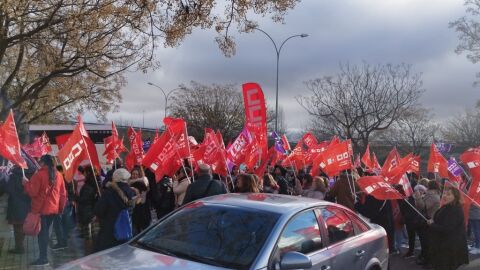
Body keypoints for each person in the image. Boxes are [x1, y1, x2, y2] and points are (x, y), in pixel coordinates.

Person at [23, 155, 67, 267]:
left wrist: (26, 184)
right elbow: (63, 194)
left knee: (42, 234)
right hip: (53, 209)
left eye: (40, 161)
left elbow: (33, 192)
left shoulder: (39, 175)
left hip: (41, 209)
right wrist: (60, 208)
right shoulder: (59, 175)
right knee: (46, 233)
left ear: (43, 163)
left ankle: (43, 258)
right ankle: (44, 257)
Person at [94, 168, 136, 252]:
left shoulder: (109, 193)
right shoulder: (132, 192)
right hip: (128, 231)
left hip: (110, 233)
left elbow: (98, 211)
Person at [427, 187, 469, 270]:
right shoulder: (447, 206)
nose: (445, 196)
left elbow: (447, 229)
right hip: (445, 245)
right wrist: (433, 220)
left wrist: (432, 225)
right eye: (445, 193)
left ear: (455, 197)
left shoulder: (454, 209)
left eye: (448, 194)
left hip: (449, 247)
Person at [2, 166, 31, 254]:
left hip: (15, 205)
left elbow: (6, 189)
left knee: (17, 228)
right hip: (25, 204)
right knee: (21, 227)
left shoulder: (12, 177)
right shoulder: (28, 176)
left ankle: (19, 247)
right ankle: (20, 246)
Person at [414, 180, 441, 267]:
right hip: (428, 221)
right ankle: (427, 260)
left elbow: (422, 207)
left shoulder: (432, 196)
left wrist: (418, 197)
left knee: (426, 243)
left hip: (427, 221)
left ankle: (428, 262)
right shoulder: (432, 195)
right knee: (426, 243)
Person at [77, 166, 99, 239]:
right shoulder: (94, 183)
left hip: (87, 213)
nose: (84, 174)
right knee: (92, 235)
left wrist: (76, 197)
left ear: (88, 173)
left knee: (88, 237)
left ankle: (89, 250)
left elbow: (84, 200)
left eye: (85, 172)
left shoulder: (88, 186)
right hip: (92, 212)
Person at [129, 166, 151, 234]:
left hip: (141, 210)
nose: (134, 176)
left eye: (136, 174)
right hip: (133, 210)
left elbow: (143, 200)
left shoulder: (142, 184)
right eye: (133, 174)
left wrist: (137, 192)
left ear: (139, 175)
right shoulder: (129, 184)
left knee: (141, 231)